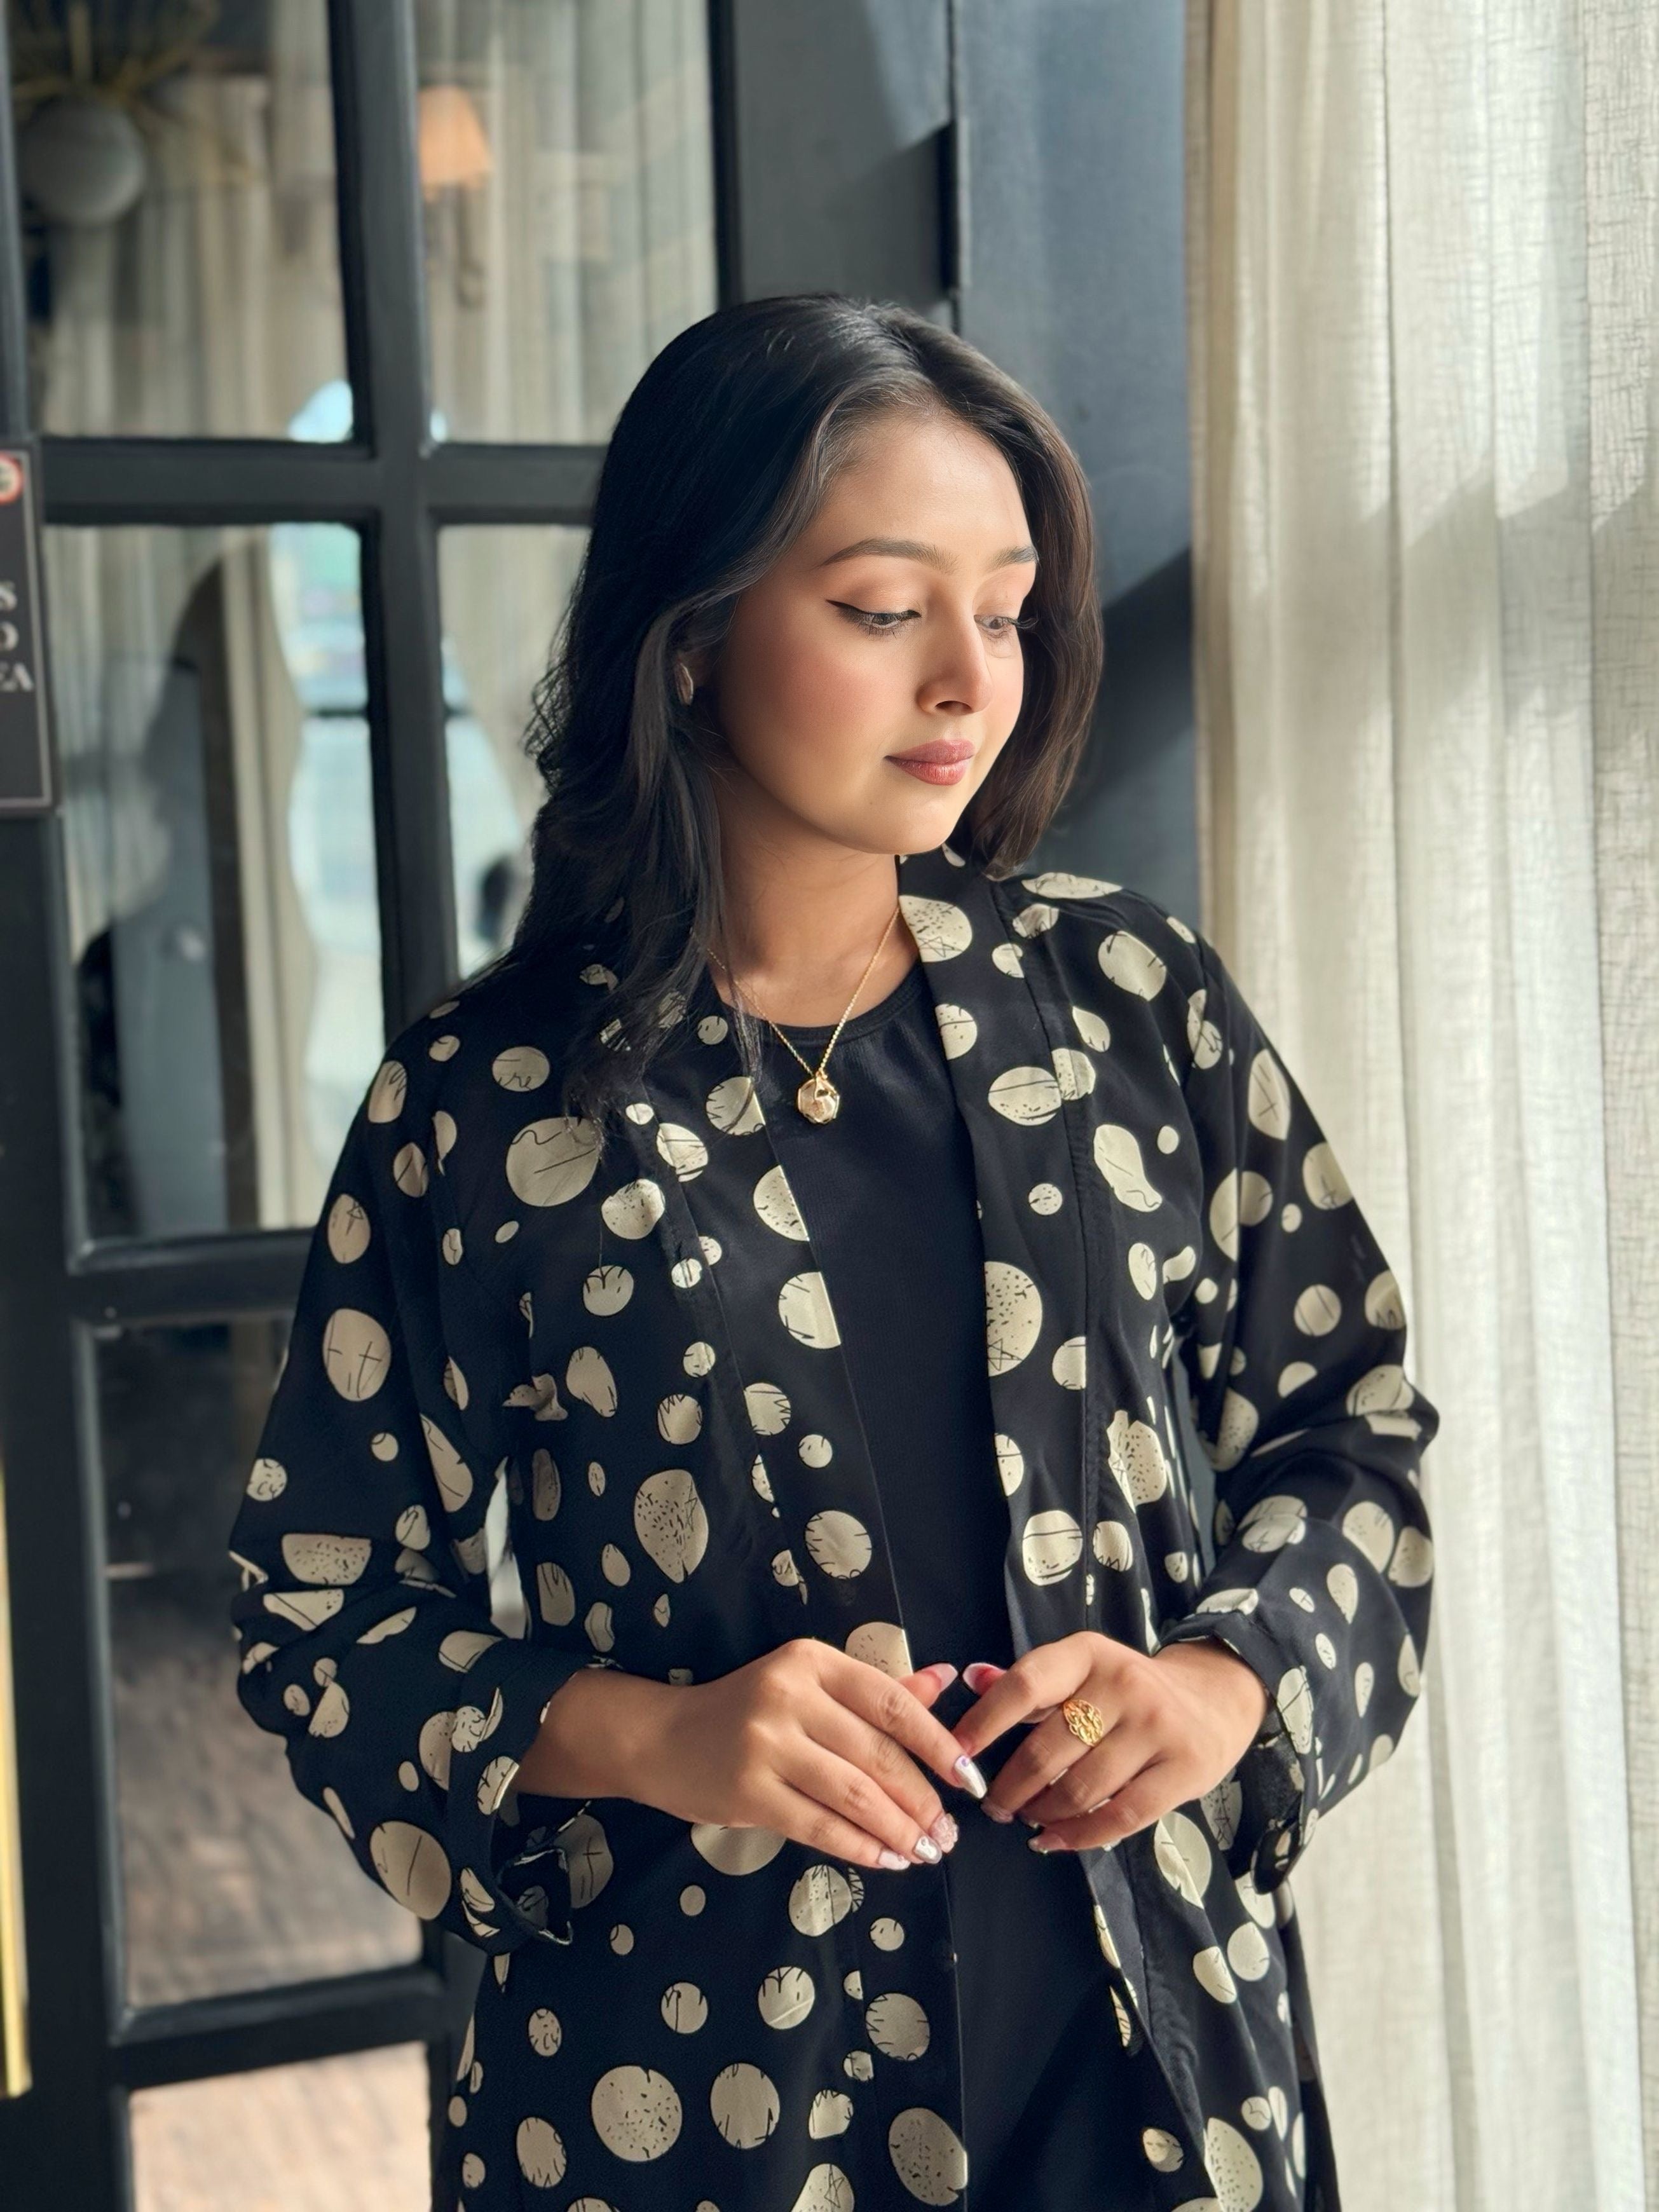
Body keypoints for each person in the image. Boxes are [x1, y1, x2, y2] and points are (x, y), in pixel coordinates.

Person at [226, 293, 1439, 2212]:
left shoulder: (1130, 1002)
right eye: (884, 611)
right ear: (693, 638)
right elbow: (321, 1616)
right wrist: (659, 1738)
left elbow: (1346, 1428)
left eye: (1009, 607)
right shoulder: (483, 1105)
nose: (969, 679)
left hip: (1141, 2061)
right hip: (683, 2094)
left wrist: (1221, 1683)